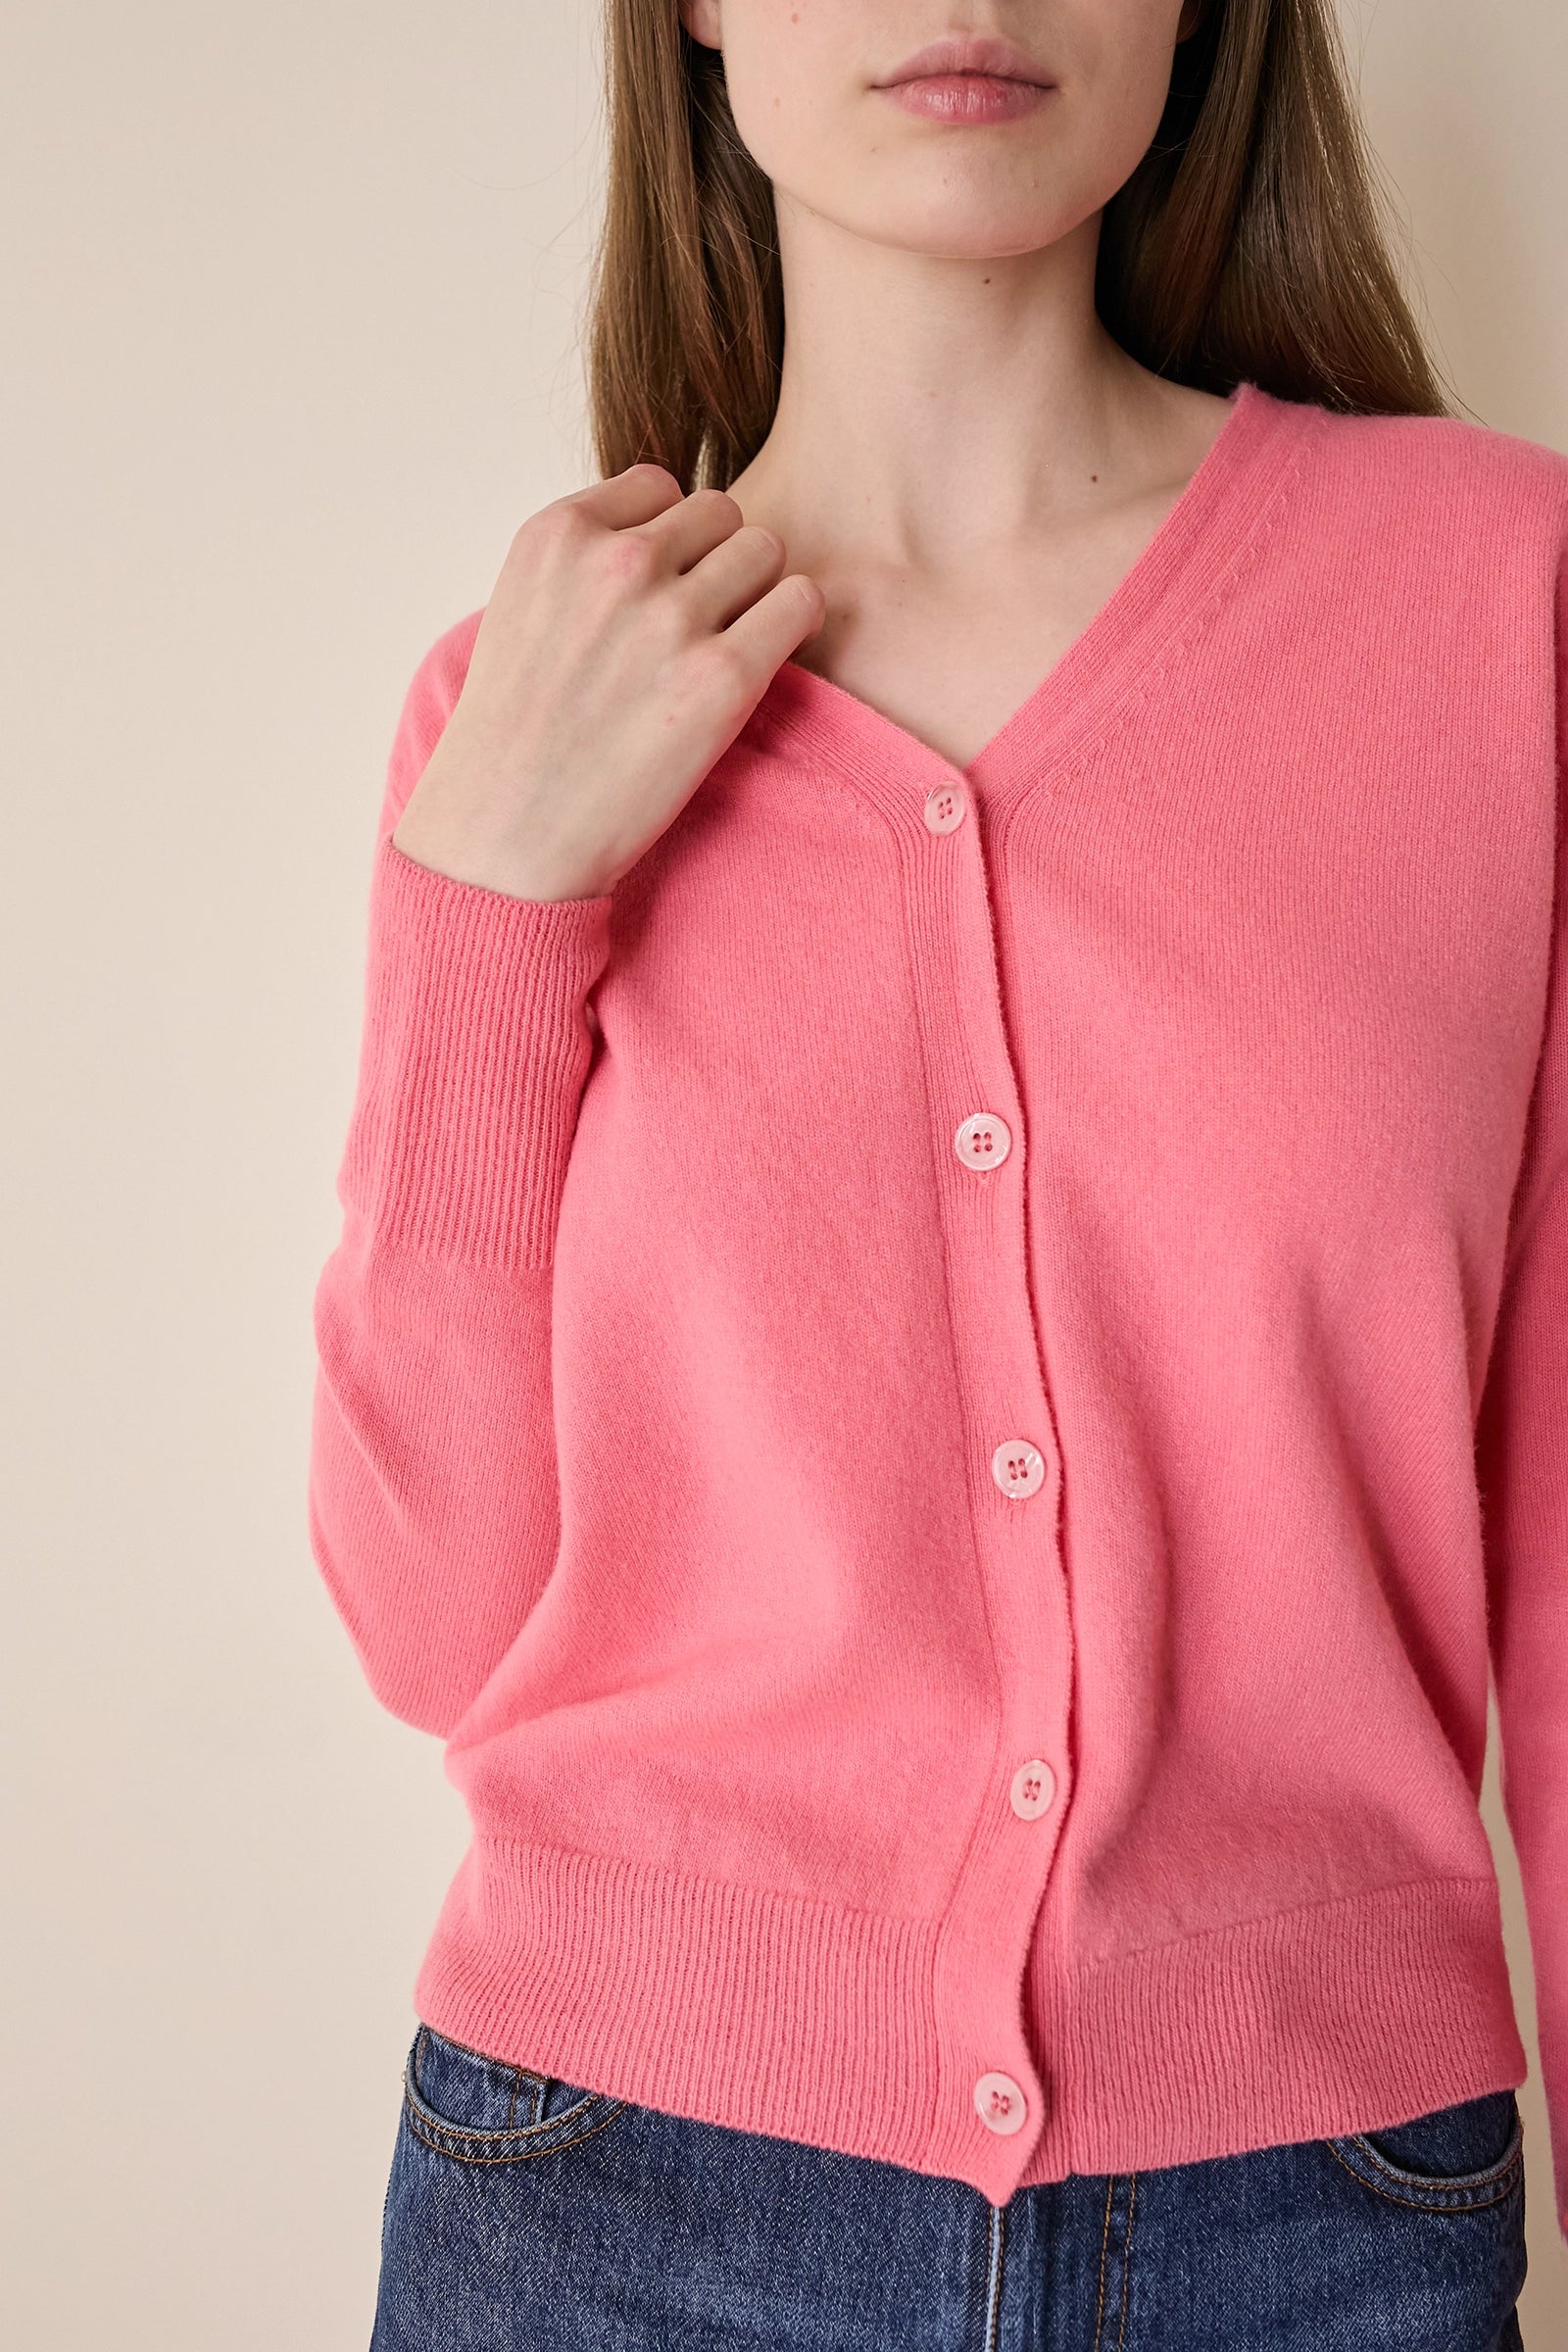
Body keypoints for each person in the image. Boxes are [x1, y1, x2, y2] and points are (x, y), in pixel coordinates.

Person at [308, 2, 1568, 2343]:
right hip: (606, 2209)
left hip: (1325, 2218)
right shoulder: (522, 704)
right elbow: (436, 1623)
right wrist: (487, 897)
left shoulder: (1500, 603)